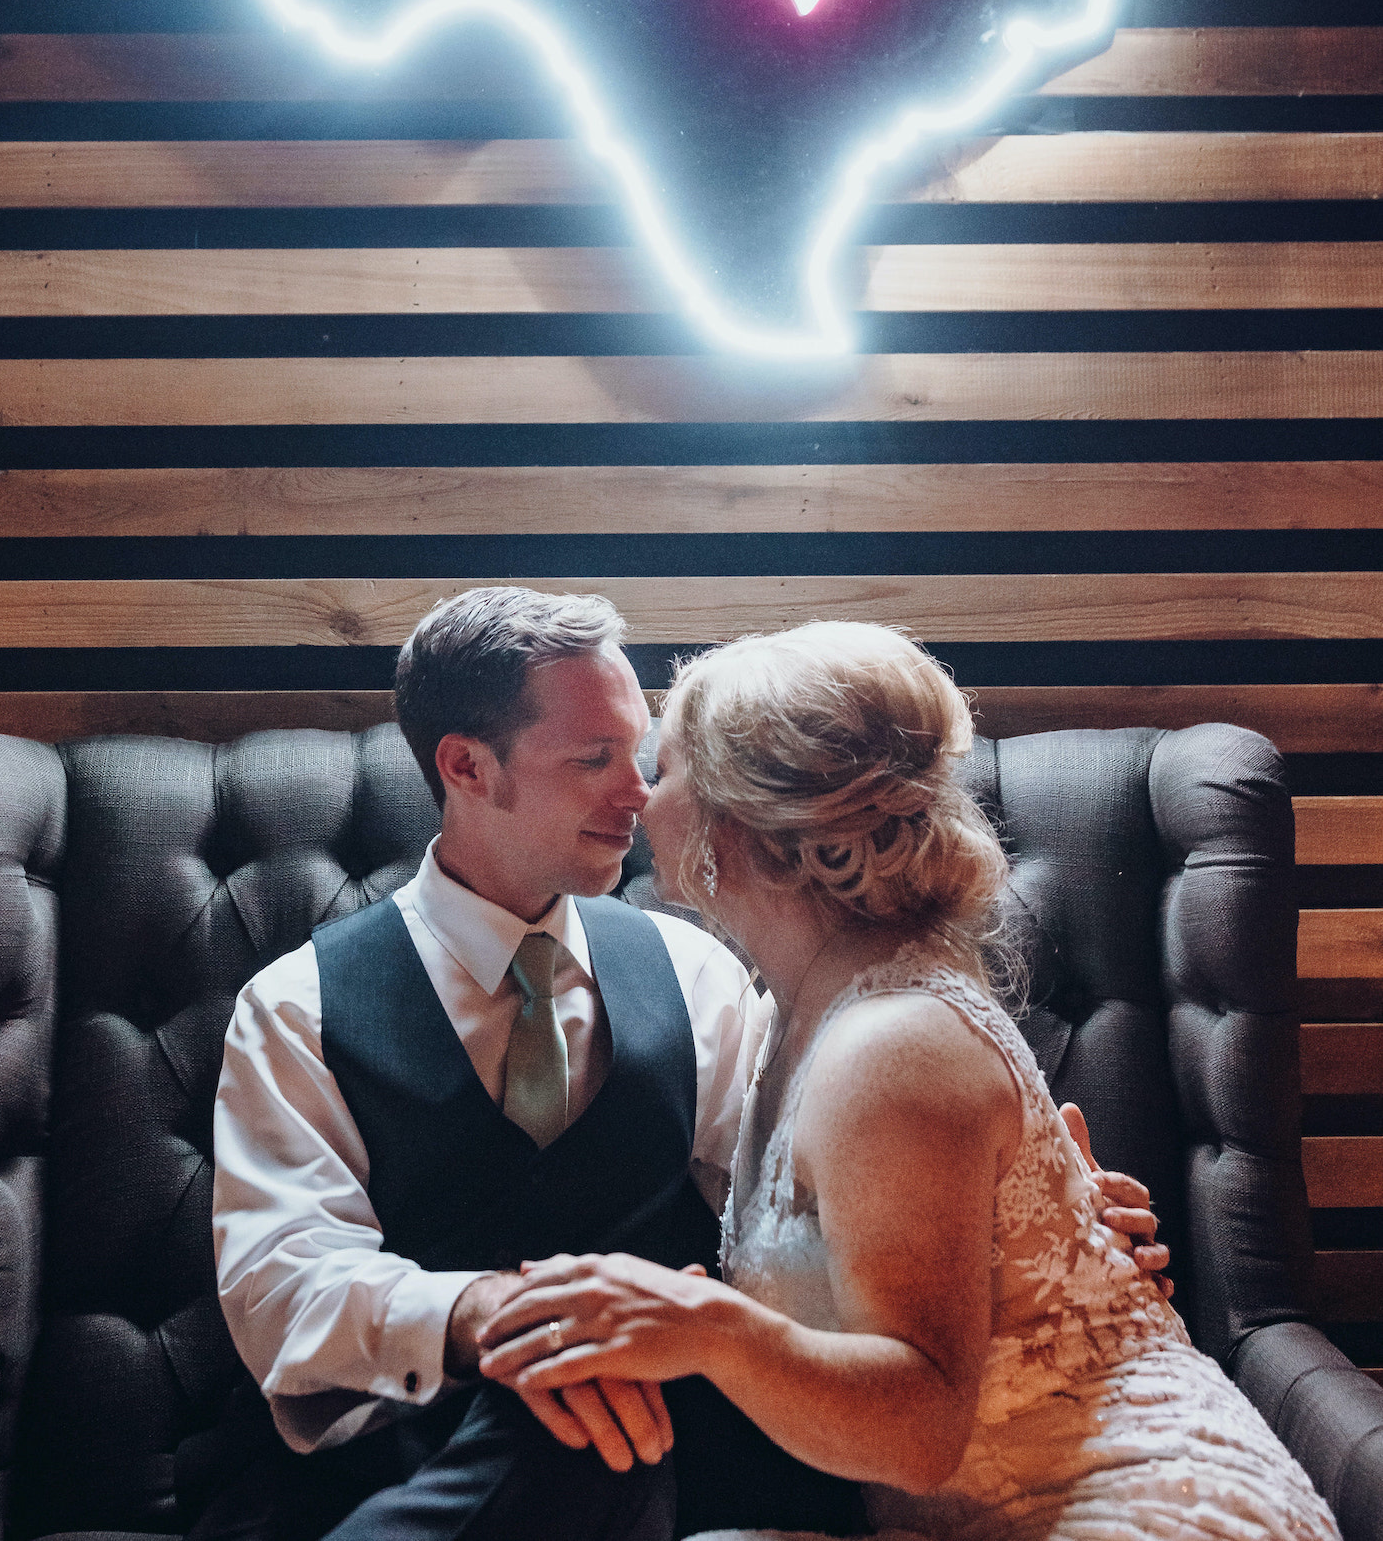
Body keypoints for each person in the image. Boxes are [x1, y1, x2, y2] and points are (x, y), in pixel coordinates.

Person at [198, 590, 1166, 1541]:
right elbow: (282, 1288)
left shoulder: (695, 966)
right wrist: (495, 1312)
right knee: (560, 1392)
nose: (641, 790)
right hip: (408, 1455)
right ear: (466, 765)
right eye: (595, 757)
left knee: (600, 1404)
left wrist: (1023, 1229)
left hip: (667, 1450)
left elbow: (815, 1193)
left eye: (643, 752)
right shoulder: (297, 1005)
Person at [477, 621, 1339, 1541]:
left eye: (666, 765)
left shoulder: (889, 1046)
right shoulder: (795, 1007)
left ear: (740, 819)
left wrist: (709, 1328)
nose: (643, 794)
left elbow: (924, 1427)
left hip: (1137, 1510)